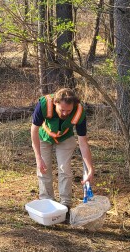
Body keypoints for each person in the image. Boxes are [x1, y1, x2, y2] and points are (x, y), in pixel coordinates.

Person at [30, 88, 95, 222]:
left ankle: (65, 206)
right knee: (43, 168)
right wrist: (38, 157)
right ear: (55, 103)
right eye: (62, 110)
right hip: (44, 136)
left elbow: (83, 142)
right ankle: (46, 202)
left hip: (65, 138)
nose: (65, 113)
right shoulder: (44, 104)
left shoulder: (79, 111)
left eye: (68, 111)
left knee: (64, 169)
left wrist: (90, 169)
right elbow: (34, 131)